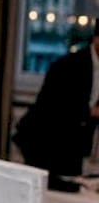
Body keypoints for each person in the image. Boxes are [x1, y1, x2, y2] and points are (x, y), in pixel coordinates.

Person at [14, 24, 99, 181]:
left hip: (73, 145)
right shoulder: (70, 65)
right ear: (96, 38)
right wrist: (90, 112)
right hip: (46, 139)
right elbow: (56, 106)